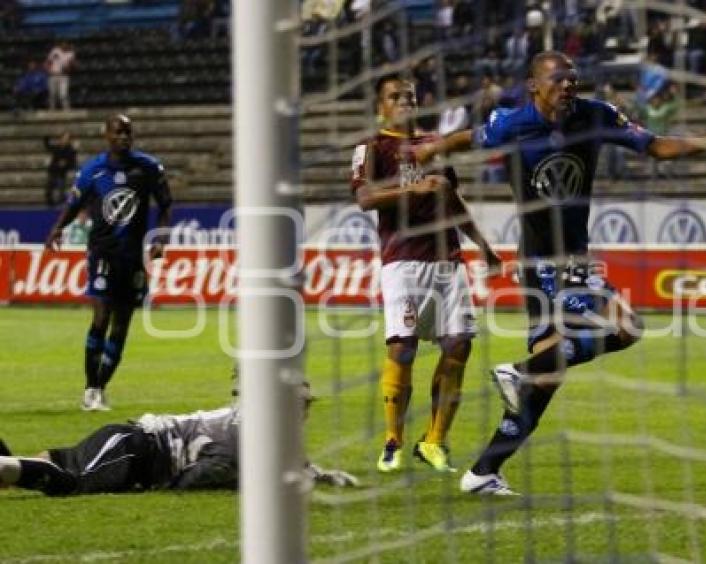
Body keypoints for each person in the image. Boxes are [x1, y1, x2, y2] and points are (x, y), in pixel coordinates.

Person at [416, 51, 706, 495]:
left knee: (549, 375)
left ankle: (483, 471)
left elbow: (657, 147)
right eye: (558, 80)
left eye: (573, 80)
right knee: (627, 326)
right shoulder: (511, 123)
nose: (568, 87)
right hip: (543, 263)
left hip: (570, 258)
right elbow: (467, 138)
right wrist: (432, 148)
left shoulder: (596, 115)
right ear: (534, 85)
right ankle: (519, 372)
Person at [351, 75, 500, 474]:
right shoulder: (371, 146)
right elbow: (365, 198)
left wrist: (484, 248)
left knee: (459, 347)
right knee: (403, 348)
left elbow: (453, 201)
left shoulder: (435, 146)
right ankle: (393, 440)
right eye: (394, 96)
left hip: (448, 260)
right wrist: (411, 192)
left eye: (410, 96)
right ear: (380, 106)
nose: (404, 101)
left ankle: (434, 441)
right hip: (402, 260)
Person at [0, 381, 358, 496]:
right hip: (138, 450)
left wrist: (321, 474)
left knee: (59, 462)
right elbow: (192, 479)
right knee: (70, 483)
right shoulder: (244, 439)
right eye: (300, 407)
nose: (304, 416)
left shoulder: (255, 426)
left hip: (132, 443)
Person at [45, 115, 173, 411]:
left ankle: (100, 388)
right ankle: (90, 388)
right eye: (118, 132)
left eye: (128, 132)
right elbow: (74, 204)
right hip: (102, 252)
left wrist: (161, 239)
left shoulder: (148, 168)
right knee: (100, 319)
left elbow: (166, 204)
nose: (124, 137)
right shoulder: (93, 170)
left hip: (132, 257)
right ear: (107, 135)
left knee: (121, 326)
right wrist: (56, 229)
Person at [44, 131, 78, 206]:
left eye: (67, 139)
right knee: (49, 187)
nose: (65, 140)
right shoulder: (57, 147)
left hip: (62, 172)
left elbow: (73, 162)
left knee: (61, 189)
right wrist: (46, 138)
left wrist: (66, 163)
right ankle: (50, 203)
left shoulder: (71, 150)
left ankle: (60, 203)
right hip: (53, 171)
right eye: (64, 138)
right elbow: (48, 146)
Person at [44, 40, 75, 111]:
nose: (64, 46)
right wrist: (47, 69)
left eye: (66, 44)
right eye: (63, 44)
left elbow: (72, 65)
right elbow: (48, 61)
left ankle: (66, 109)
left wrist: (69, 67)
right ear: (60, 45)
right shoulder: (55, 51)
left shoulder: (71, 53)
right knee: (52, 94)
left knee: (63, 94)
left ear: (68, 45)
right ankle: (51, 109)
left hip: (63, 76)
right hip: (53, 75)